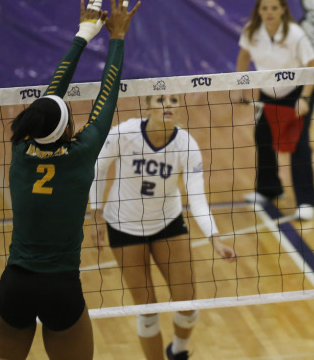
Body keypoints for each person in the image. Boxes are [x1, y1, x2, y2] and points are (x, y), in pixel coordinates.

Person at [0, 0, 141, 360]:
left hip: (15, 286)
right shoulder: (80, 153)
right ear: (69, 126)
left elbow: (51, 93)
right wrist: (115, 37)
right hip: (61, 289)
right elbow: (108, 92)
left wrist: (83, 33)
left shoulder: (21, 148)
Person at [89, 94, 236, 360]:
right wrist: (96, 214)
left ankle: (178, 350)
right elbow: (97, 169)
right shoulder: (124, 133)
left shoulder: (186, 145)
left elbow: (197, 196)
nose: (167, 105)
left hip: (167, 223)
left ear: (180, 107)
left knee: (188, 303)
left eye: (174, 100)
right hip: (123, 224)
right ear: (148, 105)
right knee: (147, 310)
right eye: (160, 99)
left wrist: (215, 238)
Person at [235, 0, 314, 221]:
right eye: (264, 8)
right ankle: (269, 190)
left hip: (297, 93)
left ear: (283, 9)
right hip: (267, 93)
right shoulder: (251, 32)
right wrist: (242, 87)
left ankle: (305, 201)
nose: (269, 12)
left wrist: (304, 98)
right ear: (258, 11)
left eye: (274, 7)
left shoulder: (294, 33)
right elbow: (243, 56)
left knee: (298, 144)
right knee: (263, 138)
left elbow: (312, 64)